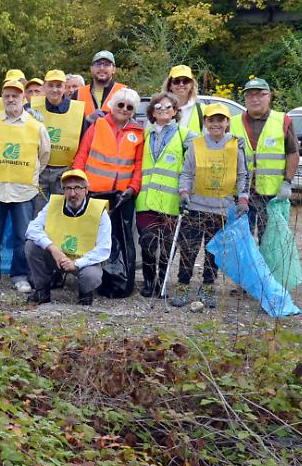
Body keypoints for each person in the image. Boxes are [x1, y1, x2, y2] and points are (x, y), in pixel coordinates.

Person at [0, 79, 51, 293]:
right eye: (7, 95)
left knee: (22, 235)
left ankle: (19, 275)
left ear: (23, 98)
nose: (10, 99)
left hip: (23, 190)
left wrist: (32, 175)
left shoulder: (36, 126)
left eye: (15, 95)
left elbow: (44, 155)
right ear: (2, 98)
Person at [172, 104, 250, 309]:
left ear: (227, 123)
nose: (216, 124)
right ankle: (182, 284)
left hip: (221, 209)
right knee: (188, 249)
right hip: (195, 207)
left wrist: (243, 198)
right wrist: (184, 193)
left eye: (220, 120)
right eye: (211, 120)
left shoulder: (235, 146)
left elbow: (243, 175)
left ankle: (207, 286)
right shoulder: (196, 145)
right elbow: (186, 173)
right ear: (205, 122)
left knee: (214, 252)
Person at [72, 87, 144, 297]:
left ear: (134, 110)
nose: (124, 109)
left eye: (129, 107)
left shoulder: (138, 133)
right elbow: (82, 155)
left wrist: (132, 189)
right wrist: (78, 185)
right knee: (91, 239)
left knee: (121, 241)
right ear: (112, 105)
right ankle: (89, 280)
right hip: (94, 193)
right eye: (120, 104)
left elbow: (138, 166)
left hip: (122, 196)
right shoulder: (97, 125)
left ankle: (118, 283)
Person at [24, 169, 112, 305]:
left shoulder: (99, 210)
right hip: (57, 257)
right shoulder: (54, 204)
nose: (72, 193)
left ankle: (85, 293)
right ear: (63, 191)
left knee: (91, 276)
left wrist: (76, 264)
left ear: (86, 190)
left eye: (77, 188)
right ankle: (42, 291)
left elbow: (104, 249)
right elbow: (32, 229)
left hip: (83, 261)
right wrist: (53, 249)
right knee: (31, 246)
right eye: (68, 188)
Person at [228, 77, 299, 239]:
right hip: (239, 195)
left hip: (271, 196)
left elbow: (293, 153)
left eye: (260, 94)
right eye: (250, 95)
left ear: (269, 96)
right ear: (245, 99)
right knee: (240, 242)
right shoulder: (232, 123)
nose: (255, 99)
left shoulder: (283, 121)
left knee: (269, 242)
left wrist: (287, 183)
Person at [135, 91, 186, 297]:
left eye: (168, 107)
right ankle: (148, 281)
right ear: (152, 112)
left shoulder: (186, 135)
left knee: (167, 245)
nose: (163, 110)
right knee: (147, 242)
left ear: (175, 112)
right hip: (145, 200)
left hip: (171, 201)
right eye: (158, 107)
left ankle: (162, 281)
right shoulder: (144, 134)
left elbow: (197, 159)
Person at [31, 69, 86, 197]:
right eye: (50, 85)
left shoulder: (77, 110)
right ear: (43, 87)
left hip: (65, 170)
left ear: (65, 88)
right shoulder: (32, 108)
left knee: (62, 211)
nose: (54, 90)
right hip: (39, 170)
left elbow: (84, 143)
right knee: (37, 213)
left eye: (59, 86)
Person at [164, 65, 203, 137]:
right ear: (169, 85)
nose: (181, 84)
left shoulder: (203, 110)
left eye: (186, 81)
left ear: (191, 85)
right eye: (176, 81)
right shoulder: (159, 109)